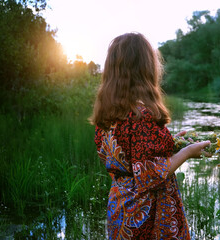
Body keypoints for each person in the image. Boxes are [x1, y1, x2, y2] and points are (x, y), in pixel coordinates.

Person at [90, 32, 210, 240]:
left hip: (119, 205)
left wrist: (171, 144)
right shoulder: (141, 115)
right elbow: (150, 174)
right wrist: (187, 152)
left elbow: (127, 157)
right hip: (144, 212)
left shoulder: (108, 114)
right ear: (145, 68)